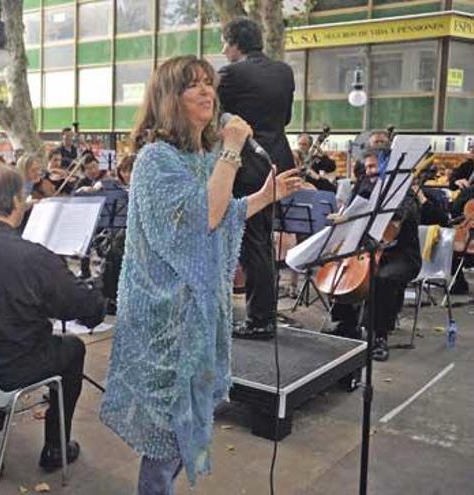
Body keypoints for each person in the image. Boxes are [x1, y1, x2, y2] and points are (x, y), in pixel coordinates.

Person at [99, 56, 301, 493]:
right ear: (171, 98)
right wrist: (230, 149)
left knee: (181, 426)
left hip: (196, 312)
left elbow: (220, 213)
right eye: (194, 86)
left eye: (210, 83)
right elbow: (204, 217)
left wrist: (265, 197)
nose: (208, 92)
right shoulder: (156, 159)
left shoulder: (202, 155)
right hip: (164, 320)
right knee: (167, 433)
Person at [0, 164, 105, 472]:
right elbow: (80, 307)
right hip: (7, 366)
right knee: (72, 349)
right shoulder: (32, 257)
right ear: (16, 202)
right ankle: (55, 448)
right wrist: (95, 288)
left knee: (10, 331)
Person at [217, 17, 295, 339]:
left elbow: (216, 120)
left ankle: (261, 320)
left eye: (224, 42)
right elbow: (286, 118)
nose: (223, 49)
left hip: (245, 163)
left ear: (234, 43)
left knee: (253, 243)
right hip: (277, 160)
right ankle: (262, 313)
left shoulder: (231, 74)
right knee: (261, 240)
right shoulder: (285, 71)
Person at [329, 149, 421, 361]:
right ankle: (346, 325)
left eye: (375, 167)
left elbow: (393, 228)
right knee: (338, 269)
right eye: (368, 167)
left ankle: (378, 336)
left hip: (401, 254)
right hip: (367, 251)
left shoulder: (403, 192)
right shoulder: (362, 187)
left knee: (382, 278)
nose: (371, 172)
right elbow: (349, 215)